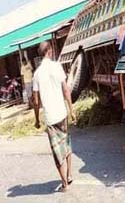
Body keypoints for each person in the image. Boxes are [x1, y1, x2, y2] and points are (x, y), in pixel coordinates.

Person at [32, 41, 76, 192]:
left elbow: (36, 101)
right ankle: (70, 174)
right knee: (67, 144)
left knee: (57, 151)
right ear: (49, 51)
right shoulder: (57, 67)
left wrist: (37, 119)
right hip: (62, 113)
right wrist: (71, 110)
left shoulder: (36, 74)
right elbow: (66, 89)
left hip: (50, 118)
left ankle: (64, 183)